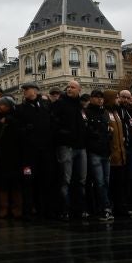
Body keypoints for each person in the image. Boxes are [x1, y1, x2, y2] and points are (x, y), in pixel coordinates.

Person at [47, 80, 83, 220]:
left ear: (79, 90)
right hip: (65, 146)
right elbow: (53, 122)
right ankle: (64, 209)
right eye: (67, 87)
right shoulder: (60, 104)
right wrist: (62, 133)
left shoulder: (79, 105)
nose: (69, 89)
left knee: (80, 179)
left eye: (72, 87)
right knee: (65, 179)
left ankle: (78, 208)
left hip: (80, 147)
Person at [0, 96, 26, 219]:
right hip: (1, 155)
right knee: (2, 182)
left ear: (9, 106)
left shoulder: (16, 118)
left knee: (15, 183)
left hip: (15, 155)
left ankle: (17, 208)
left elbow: (21, 134)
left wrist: (9, 121)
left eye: (2, 105)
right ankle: (3, 208)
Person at [85, 89, 114, 221]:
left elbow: (108, 130)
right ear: (91, 98)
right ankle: (104, 208)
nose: (100, 100)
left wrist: (108, 134)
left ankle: (103, 206)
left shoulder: (104, 113)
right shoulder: (86, 112)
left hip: (105, 151)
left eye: (101, 98)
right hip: (94, 151)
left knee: (105, 182)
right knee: (99, 181)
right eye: (96, 97)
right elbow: (88, 131)